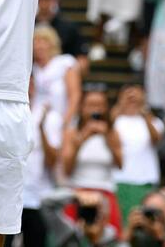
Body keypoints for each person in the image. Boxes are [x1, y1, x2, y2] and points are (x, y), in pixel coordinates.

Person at [60, 89, 124, 233]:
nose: (95, 110)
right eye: (90, 105)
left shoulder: (112, 133)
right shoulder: (72, 133)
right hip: (78, 193)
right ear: (82, 107)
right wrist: (83, 138)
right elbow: (66, 169)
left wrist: (107, 138)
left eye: (100, 105)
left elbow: (120, 164)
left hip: (105, 193)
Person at [111, 84, 164, 222]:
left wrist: (144, 110)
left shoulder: (154, 121)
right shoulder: (115, 121)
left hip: (145, 180)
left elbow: (156, 138)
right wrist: (120, 105)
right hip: (118, 179)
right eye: (127, 94)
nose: (132, 97)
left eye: (136, 93)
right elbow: (107, 130)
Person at [32, 24, 82, 128]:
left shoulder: (65, 62)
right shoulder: (32, 68)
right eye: (36, 42)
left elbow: (75, 94)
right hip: (35, 119)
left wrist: (67, 122)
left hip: (60, 118)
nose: (39, 46)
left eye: (43, 41)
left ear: (52, 44)